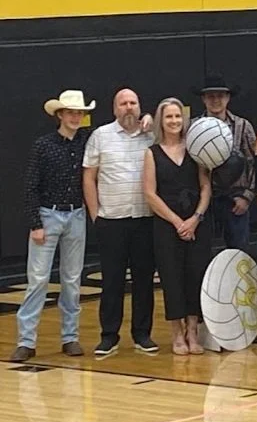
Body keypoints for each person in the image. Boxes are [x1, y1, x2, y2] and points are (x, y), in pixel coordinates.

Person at [12, 90, 97, 362]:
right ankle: (26, 340)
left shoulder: (87, 140)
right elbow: (30, 187)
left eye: (79, 113)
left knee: (72, 280)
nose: (75, 117)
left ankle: (70, 337)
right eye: (71, 112)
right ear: (60, 114)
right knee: (38, 279)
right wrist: (35, 223)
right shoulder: (44, 145)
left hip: (76, 215)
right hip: (48, 215)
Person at [82, 88, 157, 356]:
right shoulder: (100, 136)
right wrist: (95, 214)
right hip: (111, 221)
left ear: (140, 107)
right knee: (112, 281)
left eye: (133, 103)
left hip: (144, 220)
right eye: (123, 103)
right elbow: (89, 176)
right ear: (114, 109)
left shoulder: (152, 134)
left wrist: (153, 121)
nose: (128, 107)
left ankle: (142, 334)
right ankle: (109, 335)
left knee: (144, 280)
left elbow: (177, 132)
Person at [143, 98, 211, 356]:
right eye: (168, 117)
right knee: (171, 278)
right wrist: (176, 221)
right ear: (161, 121)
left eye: (177, 116)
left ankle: (193, 331)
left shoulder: (195, 149)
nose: (173, 121)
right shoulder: (152, 153)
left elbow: (205, 187)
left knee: (195, 275)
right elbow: (150, 193)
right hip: (167, 225)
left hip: (196, 223)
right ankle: (176, 332)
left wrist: (195, 218)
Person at [197, 73, 255, 253]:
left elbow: (253, 163)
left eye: (220, 96)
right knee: (202, 252)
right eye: (211, 96)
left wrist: (247, 195)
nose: (216, 100)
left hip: (235, 199)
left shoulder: (243, 126)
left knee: (239, 252)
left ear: (228, 98)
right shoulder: (193, 127)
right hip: (203, 200)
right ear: (203, 99)